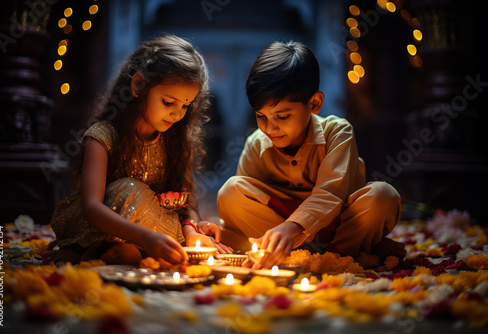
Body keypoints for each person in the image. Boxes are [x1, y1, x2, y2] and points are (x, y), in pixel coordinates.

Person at [217, 41, 405, 269]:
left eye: (282, 116)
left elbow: (330, 194)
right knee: (230, 191)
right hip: (280, 226)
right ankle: (329, 253)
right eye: (261, 116)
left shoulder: (337, 132)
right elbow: (243, 209)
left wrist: (294, 227)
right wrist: (221, 236)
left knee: (382, 196)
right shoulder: (257, 144)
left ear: (314, 103)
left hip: (338, 227)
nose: (269, 128)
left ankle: (331, 255)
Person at [47, 34, 232, 266]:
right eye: (168, 102)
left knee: (154, 220)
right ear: (138, 85)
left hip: (151, 226)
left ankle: (125, 251)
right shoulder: (103, 136)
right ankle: (97, 250)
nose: (178, 114)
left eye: (186, 105)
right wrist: (147, 236)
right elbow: (91, 207)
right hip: (98, 224)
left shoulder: (175, 139)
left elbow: (184, 201)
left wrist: (192, 230)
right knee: (131, 190)